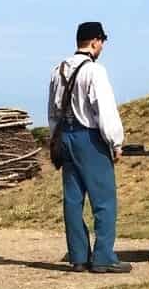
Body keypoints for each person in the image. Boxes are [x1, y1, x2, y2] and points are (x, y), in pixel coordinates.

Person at [48, 21, 130, 273]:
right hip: (90, 138)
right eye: (102, 41)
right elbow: (104, 110)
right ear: (95, 41)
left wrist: (56, 139)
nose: (102, 45)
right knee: (104, 200)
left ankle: (78, 257)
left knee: (73, 200)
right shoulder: (95, 71)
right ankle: (104, 257)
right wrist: (115, 142)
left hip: (65, 136)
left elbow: (52, 112)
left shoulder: (57, 70)